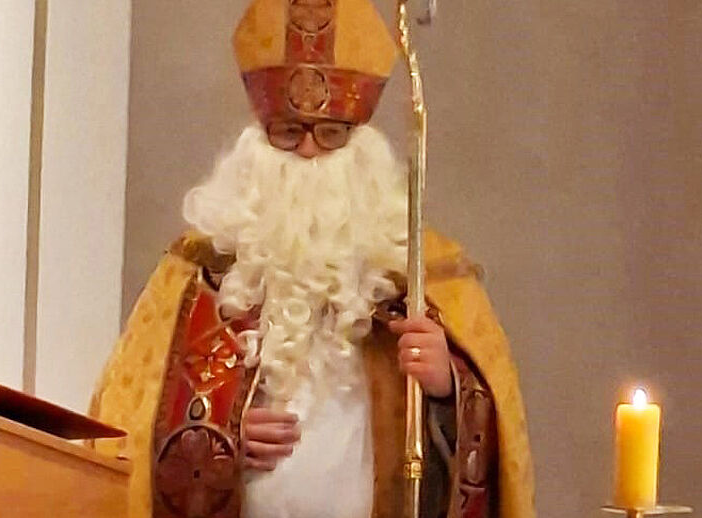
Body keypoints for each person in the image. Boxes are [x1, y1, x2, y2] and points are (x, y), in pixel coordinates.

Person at [88, 0, 534, 517]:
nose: (306, 153)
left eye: (329, 136)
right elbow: (124, 424)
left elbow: (494, 439)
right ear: (257, 140)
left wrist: (446, 385)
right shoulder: (198, 267)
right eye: (288, 134)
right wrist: (217, 433)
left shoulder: (417, 270)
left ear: (359, 144)